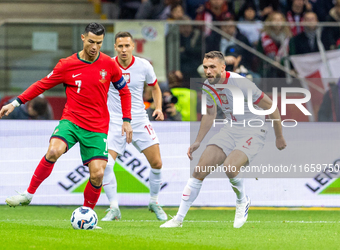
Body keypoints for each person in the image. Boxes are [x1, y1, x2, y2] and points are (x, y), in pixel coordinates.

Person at [1, 23, 132, 215]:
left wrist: (126, 119)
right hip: (71, 121)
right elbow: (41, 85)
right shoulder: (67, 64)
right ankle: (28, 194)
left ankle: (86, 215)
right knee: (54, 151)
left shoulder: (109, 64)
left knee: (97, 174)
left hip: (97, 127)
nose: (95, 46)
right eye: (91, 41)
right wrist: (15, 103)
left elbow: (124, 91)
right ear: (82, 38)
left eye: (99, 43)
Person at [160, 51, 287, 228]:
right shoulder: (207, 86)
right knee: (199, 171)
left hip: (253, 129)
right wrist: (198, 141)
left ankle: (242, 201)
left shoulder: (241, 83)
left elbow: (271, 107)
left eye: (212, 67)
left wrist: (279, 136)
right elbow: (210, 114)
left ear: (222, 67)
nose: (208, 71)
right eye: (205, 67)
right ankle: (178, 219)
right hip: (230, 128)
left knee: (230, 167)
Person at [101, 31, 167, 221]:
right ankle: (114, 208)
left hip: (139, 120)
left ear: (132, 46)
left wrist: (159, 107)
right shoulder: (107, 65)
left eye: (127, 46)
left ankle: (154, 202)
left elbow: (155, 87)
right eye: (120, 46)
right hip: (114, 122)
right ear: (115, 47)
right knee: (107, 165)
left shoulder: (144, 65)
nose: (123, 49)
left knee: (157, 163)